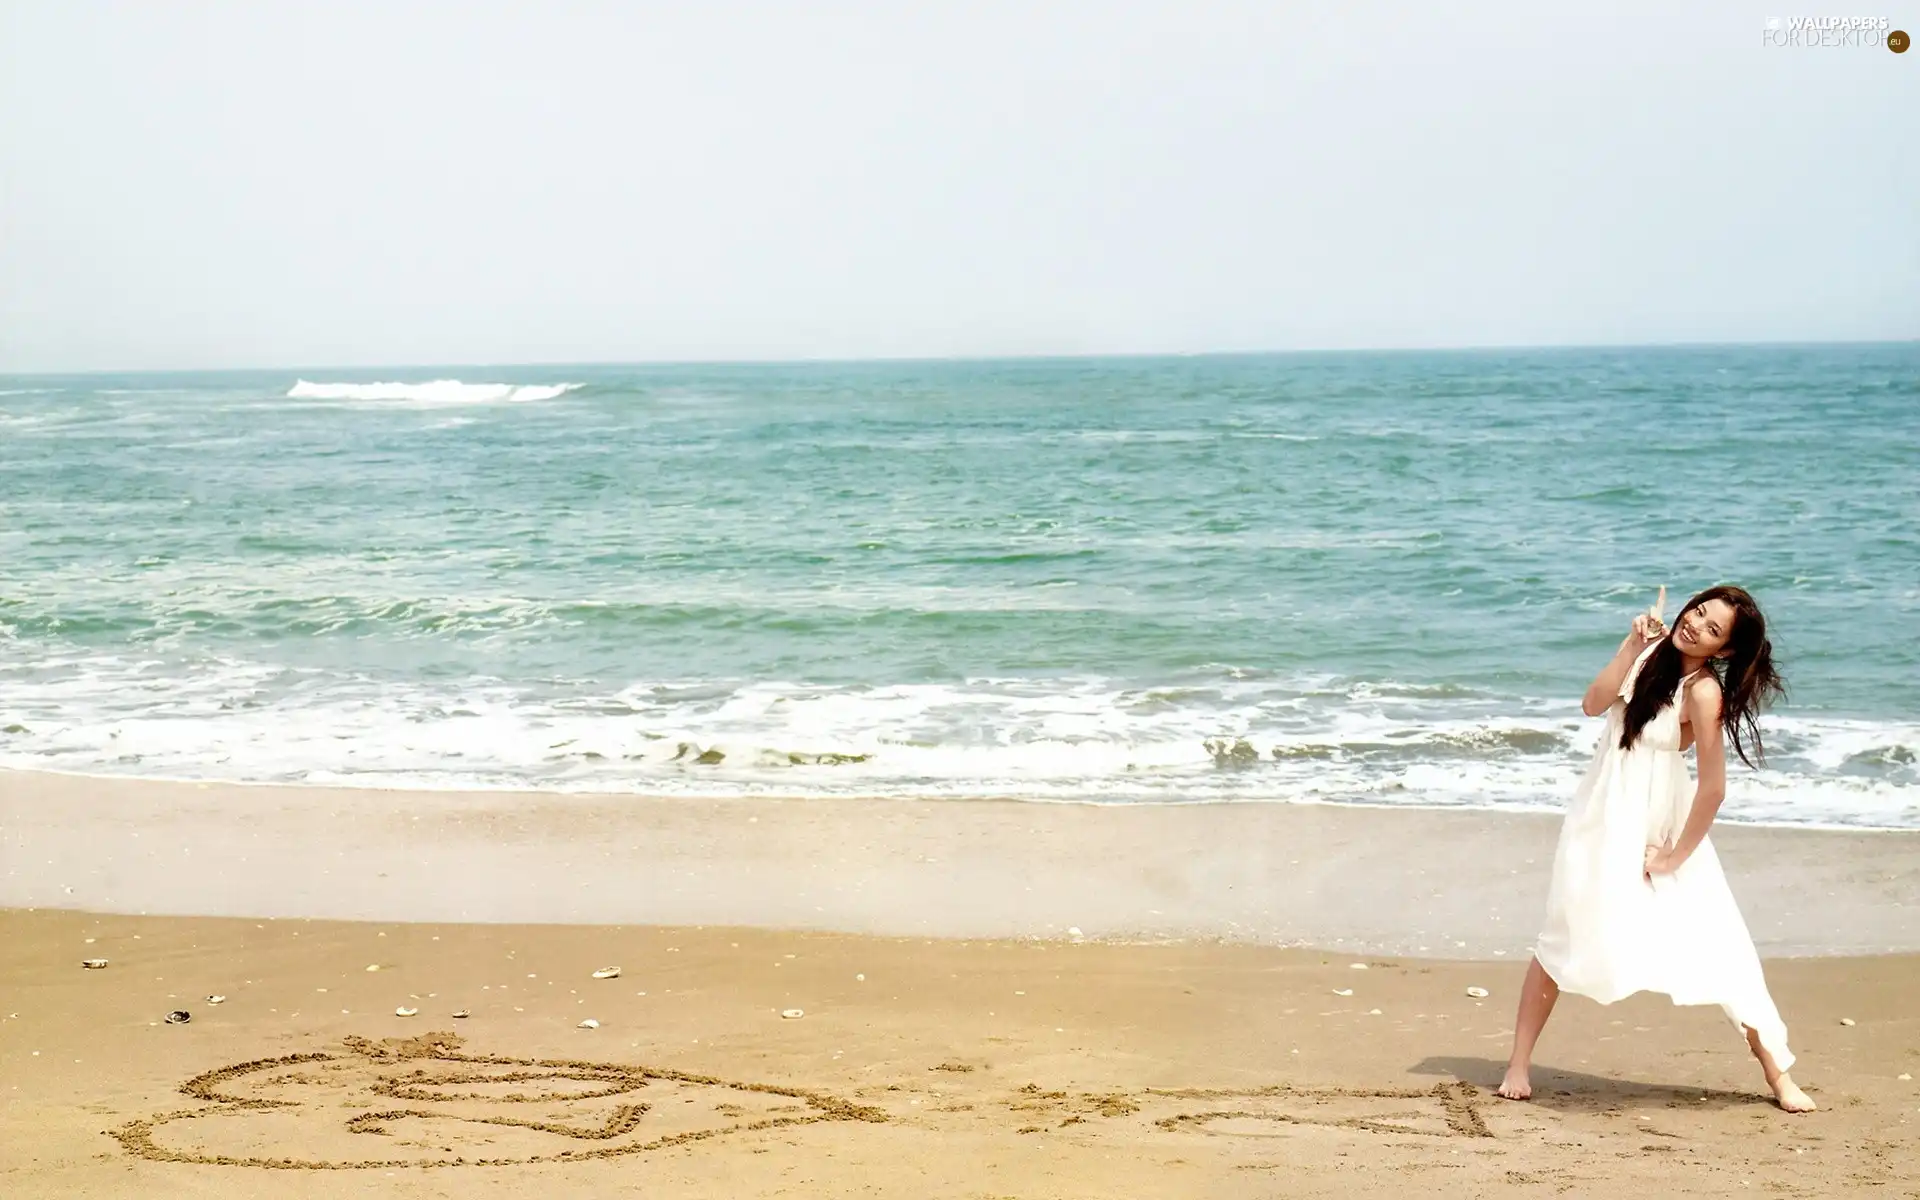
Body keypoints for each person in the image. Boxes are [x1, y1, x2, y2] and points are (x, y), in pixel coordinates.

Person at [1495, 585, 1813, 1112]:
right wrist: (1629, 644)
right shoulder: (1647, 652)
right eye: (1699, 611)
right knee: (1563, 929)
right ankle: (1518, 1064)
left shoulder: (1704, 691)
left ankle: (1778, 1076)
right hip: (1600, 813)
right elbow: (1593, 703)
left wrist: (1672, 858)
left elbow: (1713, 788)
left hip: (1657, 823)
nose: (1696, 625)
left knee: (1719, 941)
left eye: (1713, 629)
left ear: (1725, 651)